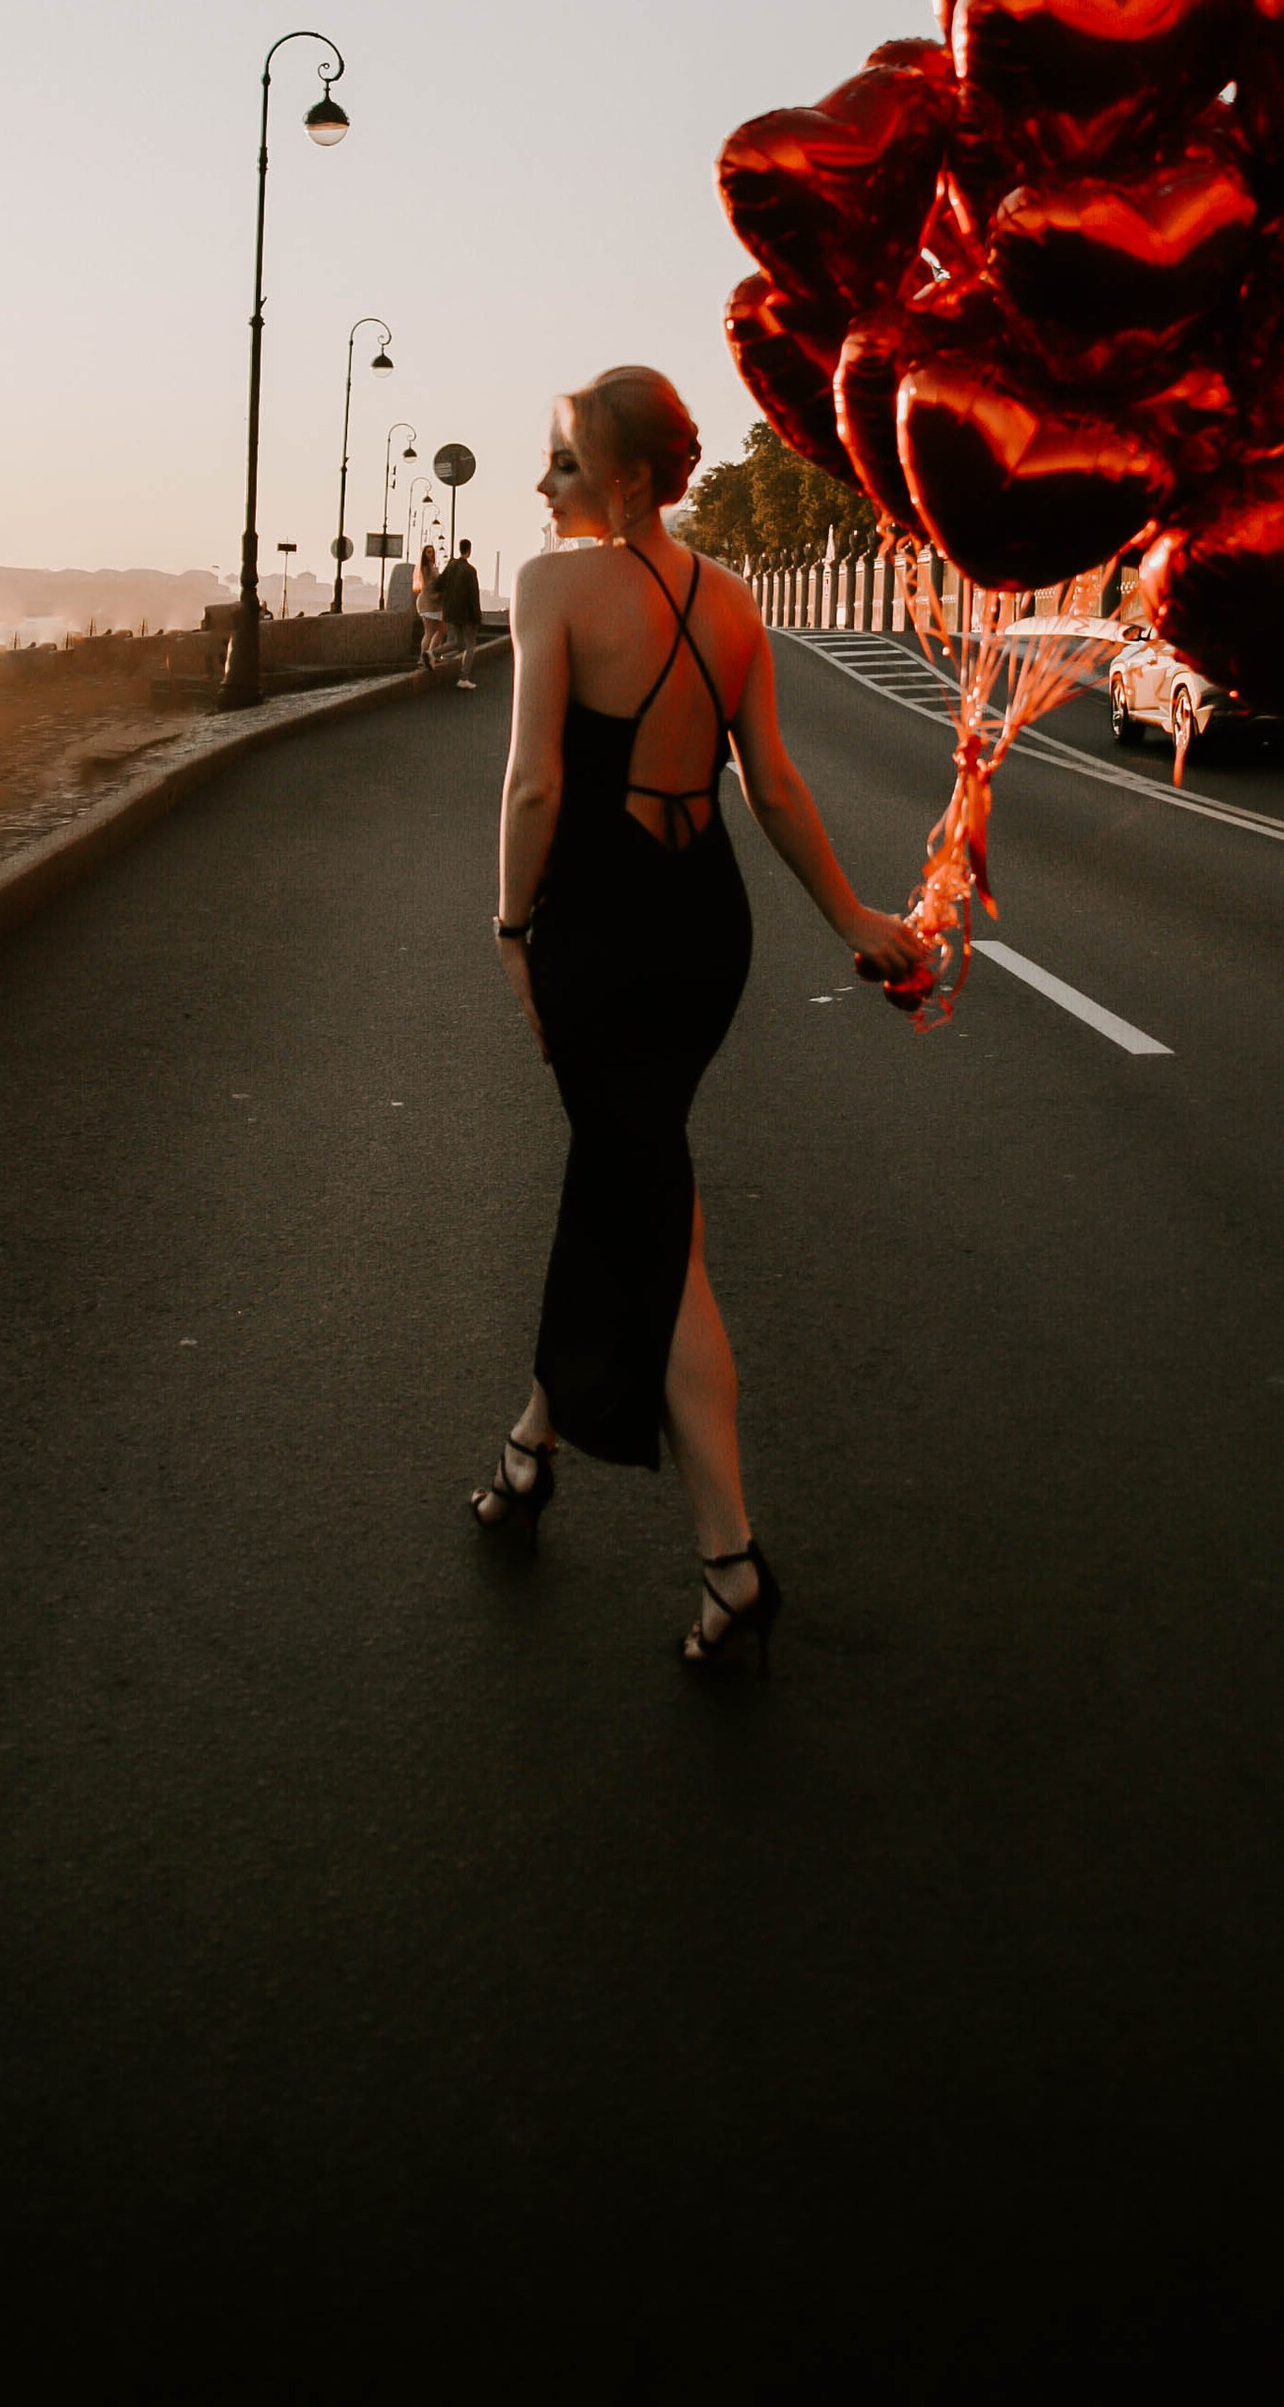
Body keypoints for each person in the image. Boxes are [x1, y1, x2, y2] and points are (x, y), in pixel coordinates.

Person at [474, 365, 921, 1669]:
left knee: (652, 1217)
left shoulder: (552, 589)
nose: (540, 486)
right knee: (632, 1183)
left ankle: (730, 1561)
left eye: (559, 464)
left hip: (602, 931)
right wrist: (851, 920)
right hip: (703, 929)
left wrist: (513, 931)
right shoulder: (729, 605)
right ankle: (526, 1452)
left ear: (619, 479)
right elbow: (771, 785)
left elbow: (535, 788)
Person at [437, 537, 484, 688]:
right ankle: (464, 678)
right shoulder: (470, 570)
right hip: (466, 615)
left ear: (459, 549)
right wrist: (477, 617)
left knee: (456, 642)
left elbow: (438, 585)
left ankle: (432, 654)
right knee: (470, 646)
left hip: (451, 612)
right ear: (469, 551)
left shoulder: (451, 566)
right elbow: (473, 596)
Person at [412, 542, 448, 674]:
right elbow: (427, 587)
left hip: (434, 603)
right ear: (423, 554)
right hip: (429, 602)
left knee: (441, 629)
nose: (431, 554)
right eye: (428, 552)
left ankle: (432, 655)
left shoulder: (431, 567)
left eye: (432, 551)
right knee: (430, 631)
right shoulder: (425, 568)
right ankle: (424, 657)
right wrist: (436, 595)